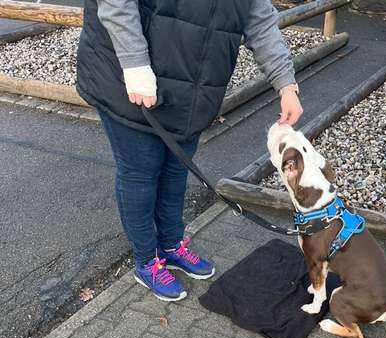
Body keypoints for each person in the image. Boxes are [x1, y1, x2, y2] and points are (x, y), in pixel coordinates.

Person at [76, 0, 303, 302]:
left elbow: (259, 20)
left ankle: (171, 246)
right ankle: (146, 261)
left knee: (175, 170)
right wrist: (134, 64)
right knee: (141, 174)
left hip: (191, 92)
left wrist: (286, 85)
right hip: (127, 78)